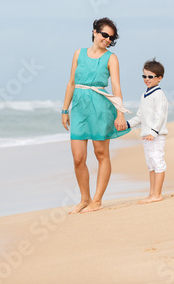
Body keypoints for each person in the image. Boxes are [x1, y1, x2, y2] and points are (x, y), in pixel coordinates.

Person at [62, 17, 130, 214]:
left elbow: (116, 87)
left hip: (100, 107)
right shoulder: (78, 54)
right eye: (105, 35)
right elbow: (71, 83)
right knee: (78, 158)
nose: (108, 40)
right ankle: (85, 199)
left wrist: (120, 114)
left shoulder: (111, 58)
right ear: (94, 32)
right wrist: (65, 110)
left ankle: (97, 200)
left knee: (101, 154)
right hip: (79, 108)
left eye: (111, 38)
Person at [123, 58, 169, 204]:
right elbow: (140, 116)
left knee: (157, 162)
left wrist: (153, 132)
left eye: (150, 76)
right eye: (144, 76)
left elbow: (160, 116)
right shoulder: (144, 95)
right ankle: (151, 193)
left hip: (156, 135)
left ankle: (157, 194)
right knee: (150, 164)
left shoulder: (159, 95)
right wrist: (127, 124)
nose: (147, 79)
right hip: (146, 136)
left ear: (159, 78)